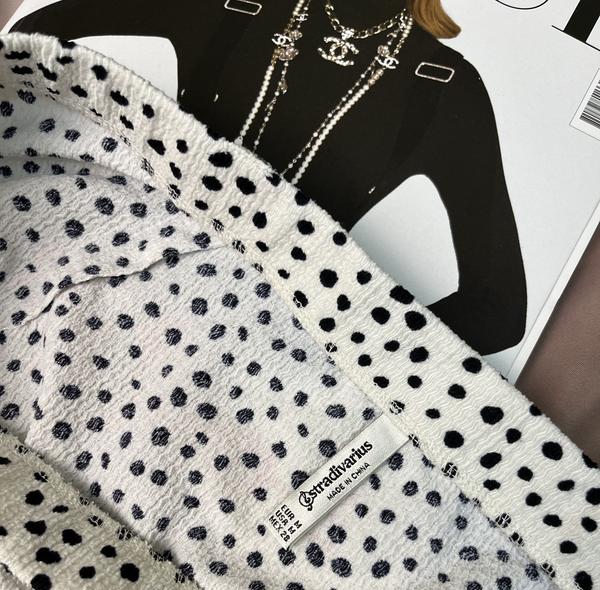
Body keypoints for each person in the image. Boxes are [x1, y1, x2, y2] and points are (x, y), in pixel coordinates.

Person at [11, 0, 527, 355]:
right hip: (94, 269)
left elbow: (499, 310)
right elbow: (33, 33)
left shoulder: (441, 83)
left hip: (246, 346)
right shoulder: (238, 8)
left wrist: (331, 344)